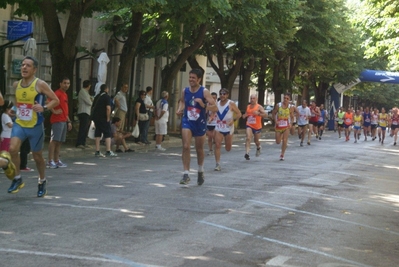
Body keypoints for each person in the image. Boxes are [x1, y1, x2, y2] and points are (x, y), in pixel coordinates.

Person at [8, 56, 60, 197]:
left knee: (37, 157)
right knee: (12, 149)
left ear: (34, 69)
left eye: (28, 65)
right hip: (20, 123)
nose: (24, 67)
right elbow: (18, 102)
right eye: (23, 65)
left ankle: (42, 180)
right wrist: (14, 109)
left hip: (35, 126)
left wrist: (44, 107)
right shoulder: (16, 84)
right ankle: (18, 178)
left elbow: (56, 100)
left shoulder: (40, 84)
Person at [176, 69, 217, 185]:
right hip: (187, 121)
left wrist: (203, 105)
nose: (191, 80)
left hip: (200, 123)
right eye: (190, 77)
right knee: (186, 146)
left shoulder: (204, 92)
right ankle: (186, 174)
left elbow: (215, 108)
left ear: (199, 79)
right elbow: (183, 102)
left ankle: (200, 170)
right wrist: (180, 109)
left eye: (193, 78)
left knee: (199, 149)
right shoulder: (185, 91)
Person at [47, 77, 72, 168]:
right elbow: (48, 101)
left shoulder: (65, 94)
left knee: (59, 141)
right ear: (60, 84)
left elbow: (65, 109)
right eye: (64, 83)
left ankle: (56, 160)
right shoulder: (57, 93)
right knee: (54, 140)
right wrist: (54, 111)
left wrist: (68, 121)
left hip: (63, 120)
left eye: (68, 83)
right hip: (57, 120)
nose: (66, 85)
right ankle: (50, 160)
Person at [213, 88, 241, 171]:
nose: (222, 95)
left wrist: (233, 120)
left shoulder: (231, 104)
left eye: (224, 94)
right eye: (221, 93)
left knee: (228, 148)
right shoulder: (216, 104)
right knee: (217, 145)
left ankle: (227, 145)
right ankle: (217, 164)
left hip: (228, 127)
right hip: (218, 126)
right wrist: (211, 118)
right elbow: (213, 112)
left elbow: (239, 113)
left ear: (227, 95)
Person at [92, 84, 117, 157]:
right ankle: (108, 150)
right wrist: (108, 117)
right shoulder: (106, 97)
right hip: (103, 117)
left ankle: (97, 150)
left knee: (98, 133)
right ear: (106, 89)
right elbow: (108, 108)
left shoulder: (97, 97)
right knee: (107, 133)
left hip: (96, 117)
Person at [242, 94, 267, 160]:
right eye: (251, 98)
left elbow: (265, 115)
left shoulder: (259, 107)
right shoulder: (248, 106)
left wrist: (258, 114)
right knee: (248, 138)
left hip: (257, 126)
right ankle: (247, 153)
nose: (252, 100)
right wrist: (244, 116)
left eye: (253, 98)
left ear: (256, 99)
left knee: (256, 141)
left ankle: (258, 147)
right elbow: (246, 114)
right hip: (249, 125)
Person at [272, 93, 295, 160]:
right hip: (279, 126)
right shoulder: (278, 105)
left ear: (289, 100)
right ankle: (281, 137)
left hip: (286, 126)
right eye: (284, 98)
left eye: (287, 98)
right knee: (278, 142)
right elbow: (274, 113)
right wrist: (275, 121)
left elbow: (292, 117)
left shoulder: (290, 107)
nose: (285, 99)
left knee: (285, 140)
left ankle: (282, 154)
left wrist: (291, 123)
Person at [75, 80, 93, 149]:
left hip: (87, 112)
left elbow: (91, 99)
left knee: (85, 128)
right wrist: (91, 100)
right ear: (89, 85)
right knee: (82, 128)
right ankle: (79, 143)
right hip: (83, 112)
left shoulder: (86, 92)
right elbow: (89, 102)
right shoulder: (82, 92)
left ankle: (83, 142)